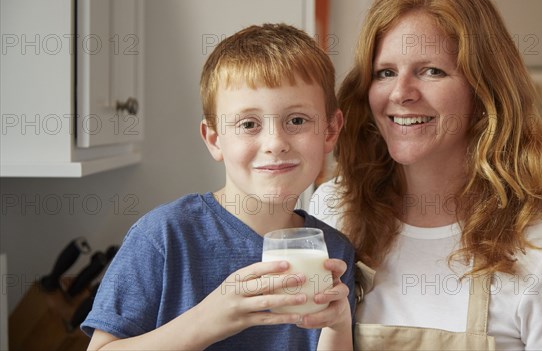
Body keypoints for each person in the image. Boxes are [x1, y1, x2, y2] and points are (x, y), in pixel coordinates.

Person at [309, 0, 542, 350]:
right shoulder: (333, 210)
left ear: (483, 92)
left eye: (432, 71)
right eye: (385, 72)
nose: (401, 93)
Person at [82, 23, 355, 350]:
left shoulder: (334, 251)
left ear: (330, 131)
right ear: (214, 139)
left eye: (297, 120)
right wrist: (208, 320)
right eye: (249, 124)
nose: (275, 142)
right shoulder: (164, 236)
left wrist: (339, 324)